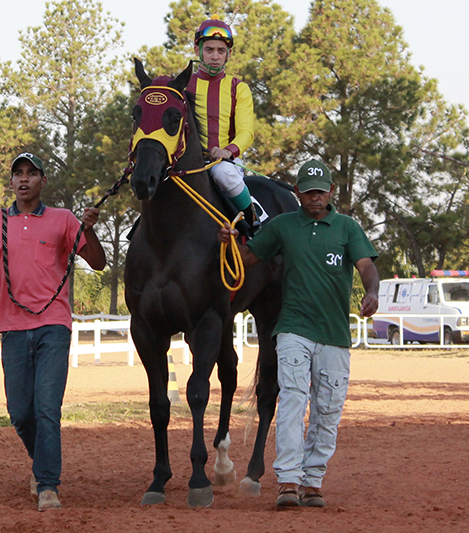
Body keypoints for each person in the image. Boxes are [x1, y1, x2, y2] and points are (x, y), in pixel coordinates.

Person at [218, 159, 379, 508]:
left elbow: (366, 266)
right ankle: (288, 481)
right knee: (292, 401)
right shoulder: (282, 226)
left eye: (320, 192)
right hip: (293, 329)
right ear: (297, 193)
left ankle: (313, 481)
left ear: (331, 192)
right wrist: (229, 243)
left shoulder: (348, 228)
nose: (314, 198)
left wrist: (373, 292)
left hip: (334, 334)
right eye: (308, 192)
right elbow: (248, 257)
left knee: (327, 410)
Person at [0, 152, 106, 511]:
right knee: (20, 413)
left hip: (53, 325)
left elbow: (99, 263)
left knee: (46, 408)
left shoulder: (63, 219)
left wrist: (87, 228)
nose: (24, 179)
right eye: (18, 174)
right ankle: (42, 464)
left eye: (31, 173)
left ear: (42, 181)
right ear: (11, 182)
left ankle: (48, 485)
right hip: (12, 329)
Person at [188, 16, 257, 226]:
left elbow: (246, 132)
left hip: (225, 162)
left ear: (229, 54)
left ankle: (252, 221)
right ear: (197, 50)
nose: (215, 56)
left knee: (223, 173)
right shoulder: (182, 86)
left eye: (221, 51)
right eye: (209, 50)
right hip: (188, 163)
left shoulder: (239, 88)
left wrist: (228, 151)